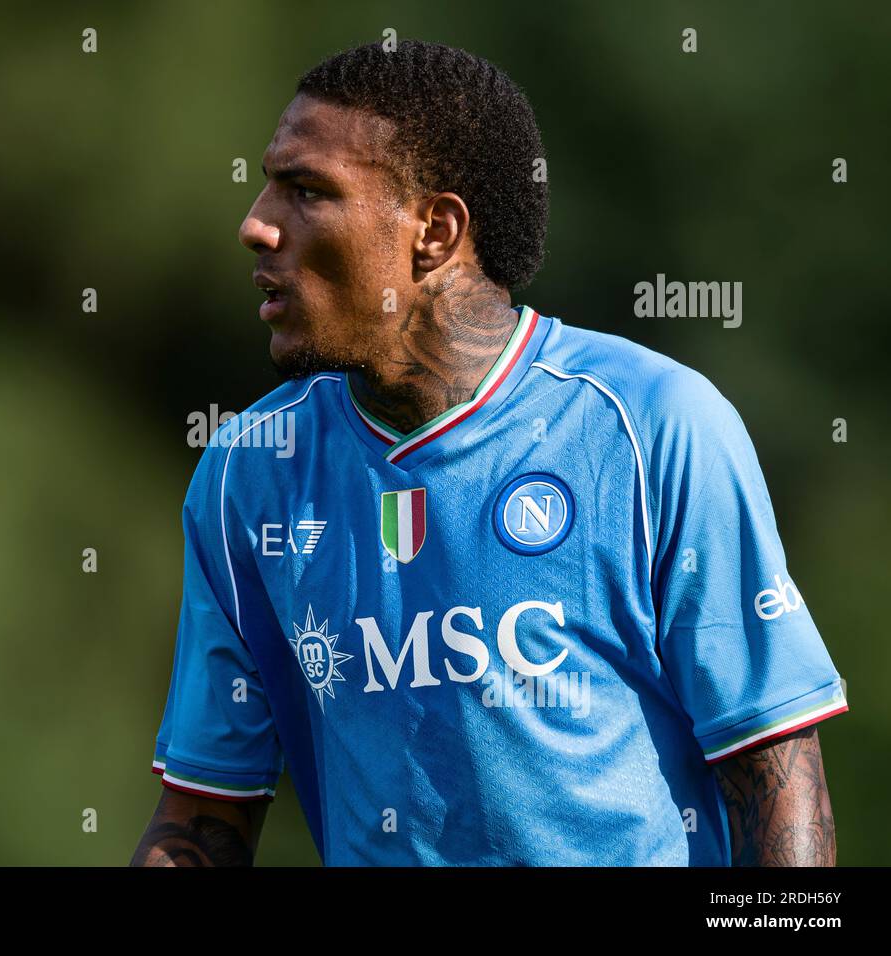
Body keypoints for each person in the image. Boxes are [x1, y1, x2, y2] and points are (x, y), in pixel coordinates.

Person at [131, 39, 847, 866]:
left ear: (434, 231)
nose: (256, 224)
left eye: (306, 191)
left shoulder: (653, 426)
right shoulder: (247, 474)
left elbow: (776, 779)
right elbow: (201, 819)